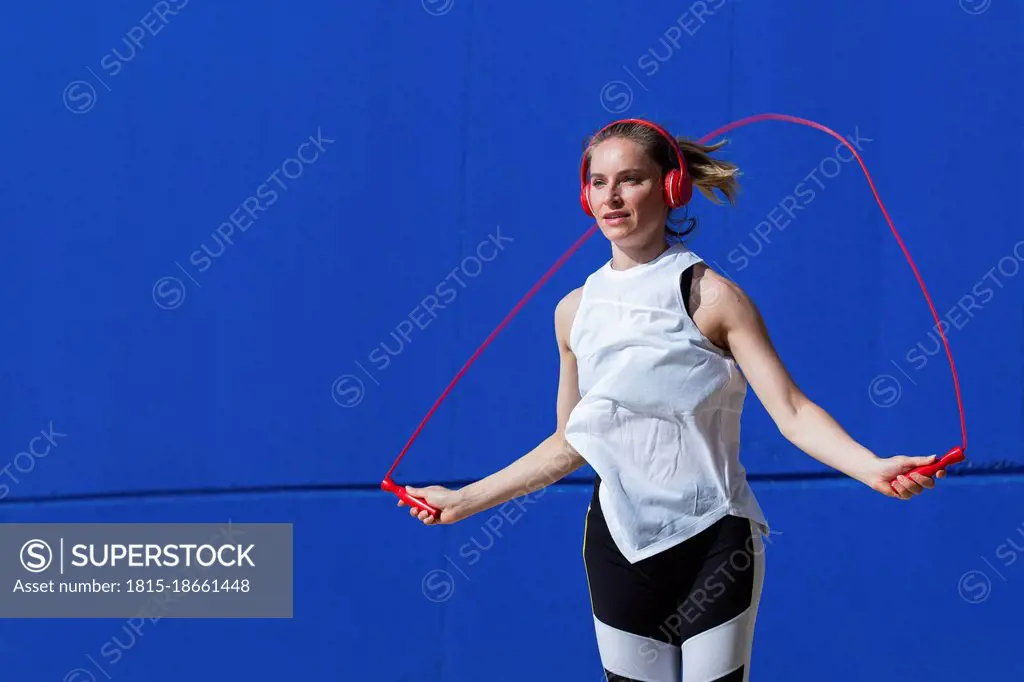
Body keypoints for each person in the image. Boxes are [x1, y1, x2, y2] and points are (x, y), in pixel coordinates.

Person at [397, 118, 945, 681]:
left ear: (671, 188)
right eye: (598, 181)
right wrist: (465, 501)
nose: (611, 196)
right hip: (618, 545)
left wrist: (871, 467)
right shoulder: (572, 312)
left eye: (630, 179)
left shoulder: (712, 296)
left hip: (714, 540)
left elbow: (793, 411)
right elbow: (571, 444)